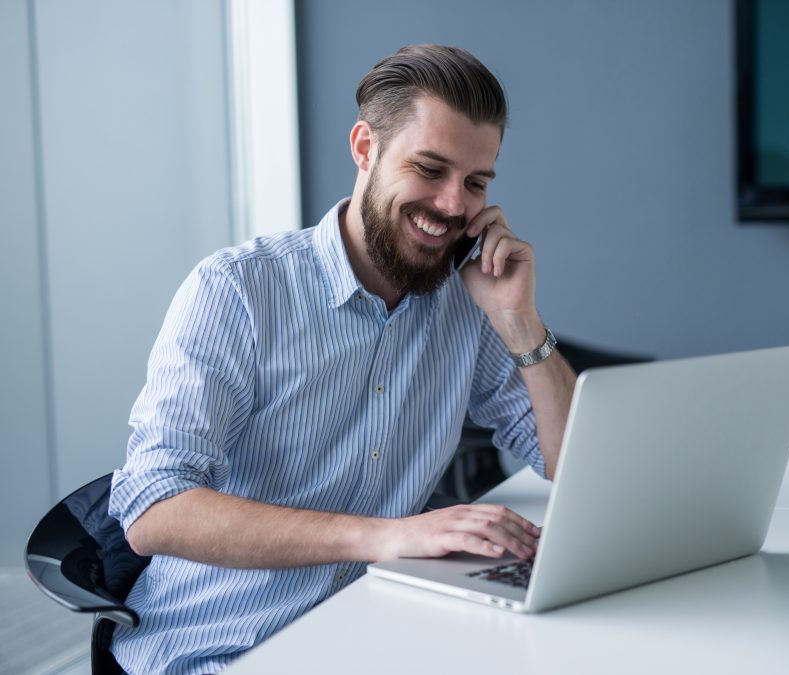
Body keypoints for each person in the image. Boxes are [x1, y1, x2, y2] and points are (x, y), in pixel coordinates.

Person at [108, 44, 577, 674]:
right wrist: (389, 536)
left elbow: (572, 466)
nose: (451, 204)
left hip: (376, 635)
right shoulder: (238, 291)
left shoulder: (467, 304)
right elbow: (153, 508)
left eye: (475, 182)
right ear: (365, 149)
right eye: (430, 169)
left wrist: (521, 321)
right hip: (221, 647)